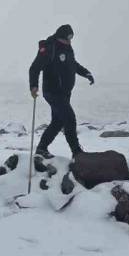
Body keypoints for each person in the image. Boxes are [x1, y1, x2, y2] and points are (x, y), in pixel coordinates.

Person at [28, 24, 94, 159]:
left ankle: (41, 149)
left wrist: (86, 73)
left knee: (58, 122)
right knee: (69, 118)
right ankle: (76, 152)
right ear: (60, 37)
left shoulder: (68, 48)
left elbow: (73, 64)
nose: (69, 41)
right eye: (67, 38)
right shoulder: (49, 48)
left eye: (71, 39)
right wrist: (33, 86)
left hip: (64, 93)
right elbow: (34, 68)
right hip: (52, 91)